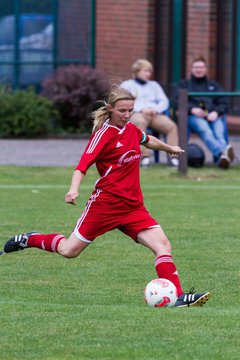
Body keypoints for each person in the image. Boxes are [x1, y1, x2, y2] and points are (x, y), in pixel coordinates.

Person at [1, 86, 210, 308]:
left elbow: (147, 139)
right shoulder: (102, 135)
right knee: (69, 251)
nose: (127, 115)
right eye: (122, 110)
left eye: (130, 110)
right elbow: (81, 166)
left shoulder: (131, 130)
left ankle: (177, 296)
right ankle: (30, 239)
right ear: (110, 109)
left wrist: (168, 148)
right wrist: (73, 190)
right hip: (105, 205)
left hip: (132, 208)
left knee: (163, 246)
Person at [172, 55, 234, 169]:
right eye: (196, 67)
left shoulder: (214, 85)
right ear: (191, 69)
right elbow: (176, 101)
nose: (199, 70)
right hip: (193, 117)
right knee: (205, 129)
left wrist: (215, 112)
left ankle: (223, 157)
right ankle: (223, 153)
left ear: (205, 69)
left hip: (213, 116)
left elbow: (224, 102)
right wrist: (192, 109)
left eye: (201, 67)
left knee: (219, 131)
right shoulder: (184, 84)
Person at [121, 59, 179, 168]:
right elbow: (122, 101)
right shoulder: (127, 84)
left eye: (149, 71)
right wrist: (141, 109)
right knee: (140, 123)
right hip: (136, 114)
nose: (148, 74)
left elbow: (164, 101)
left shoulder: (154, 85)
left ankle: (173, 157)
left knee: (171, 126)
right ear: (137, 72)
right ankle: (145, 157)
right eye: (145, 71)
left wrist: (155, 109)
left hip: (154, 114)